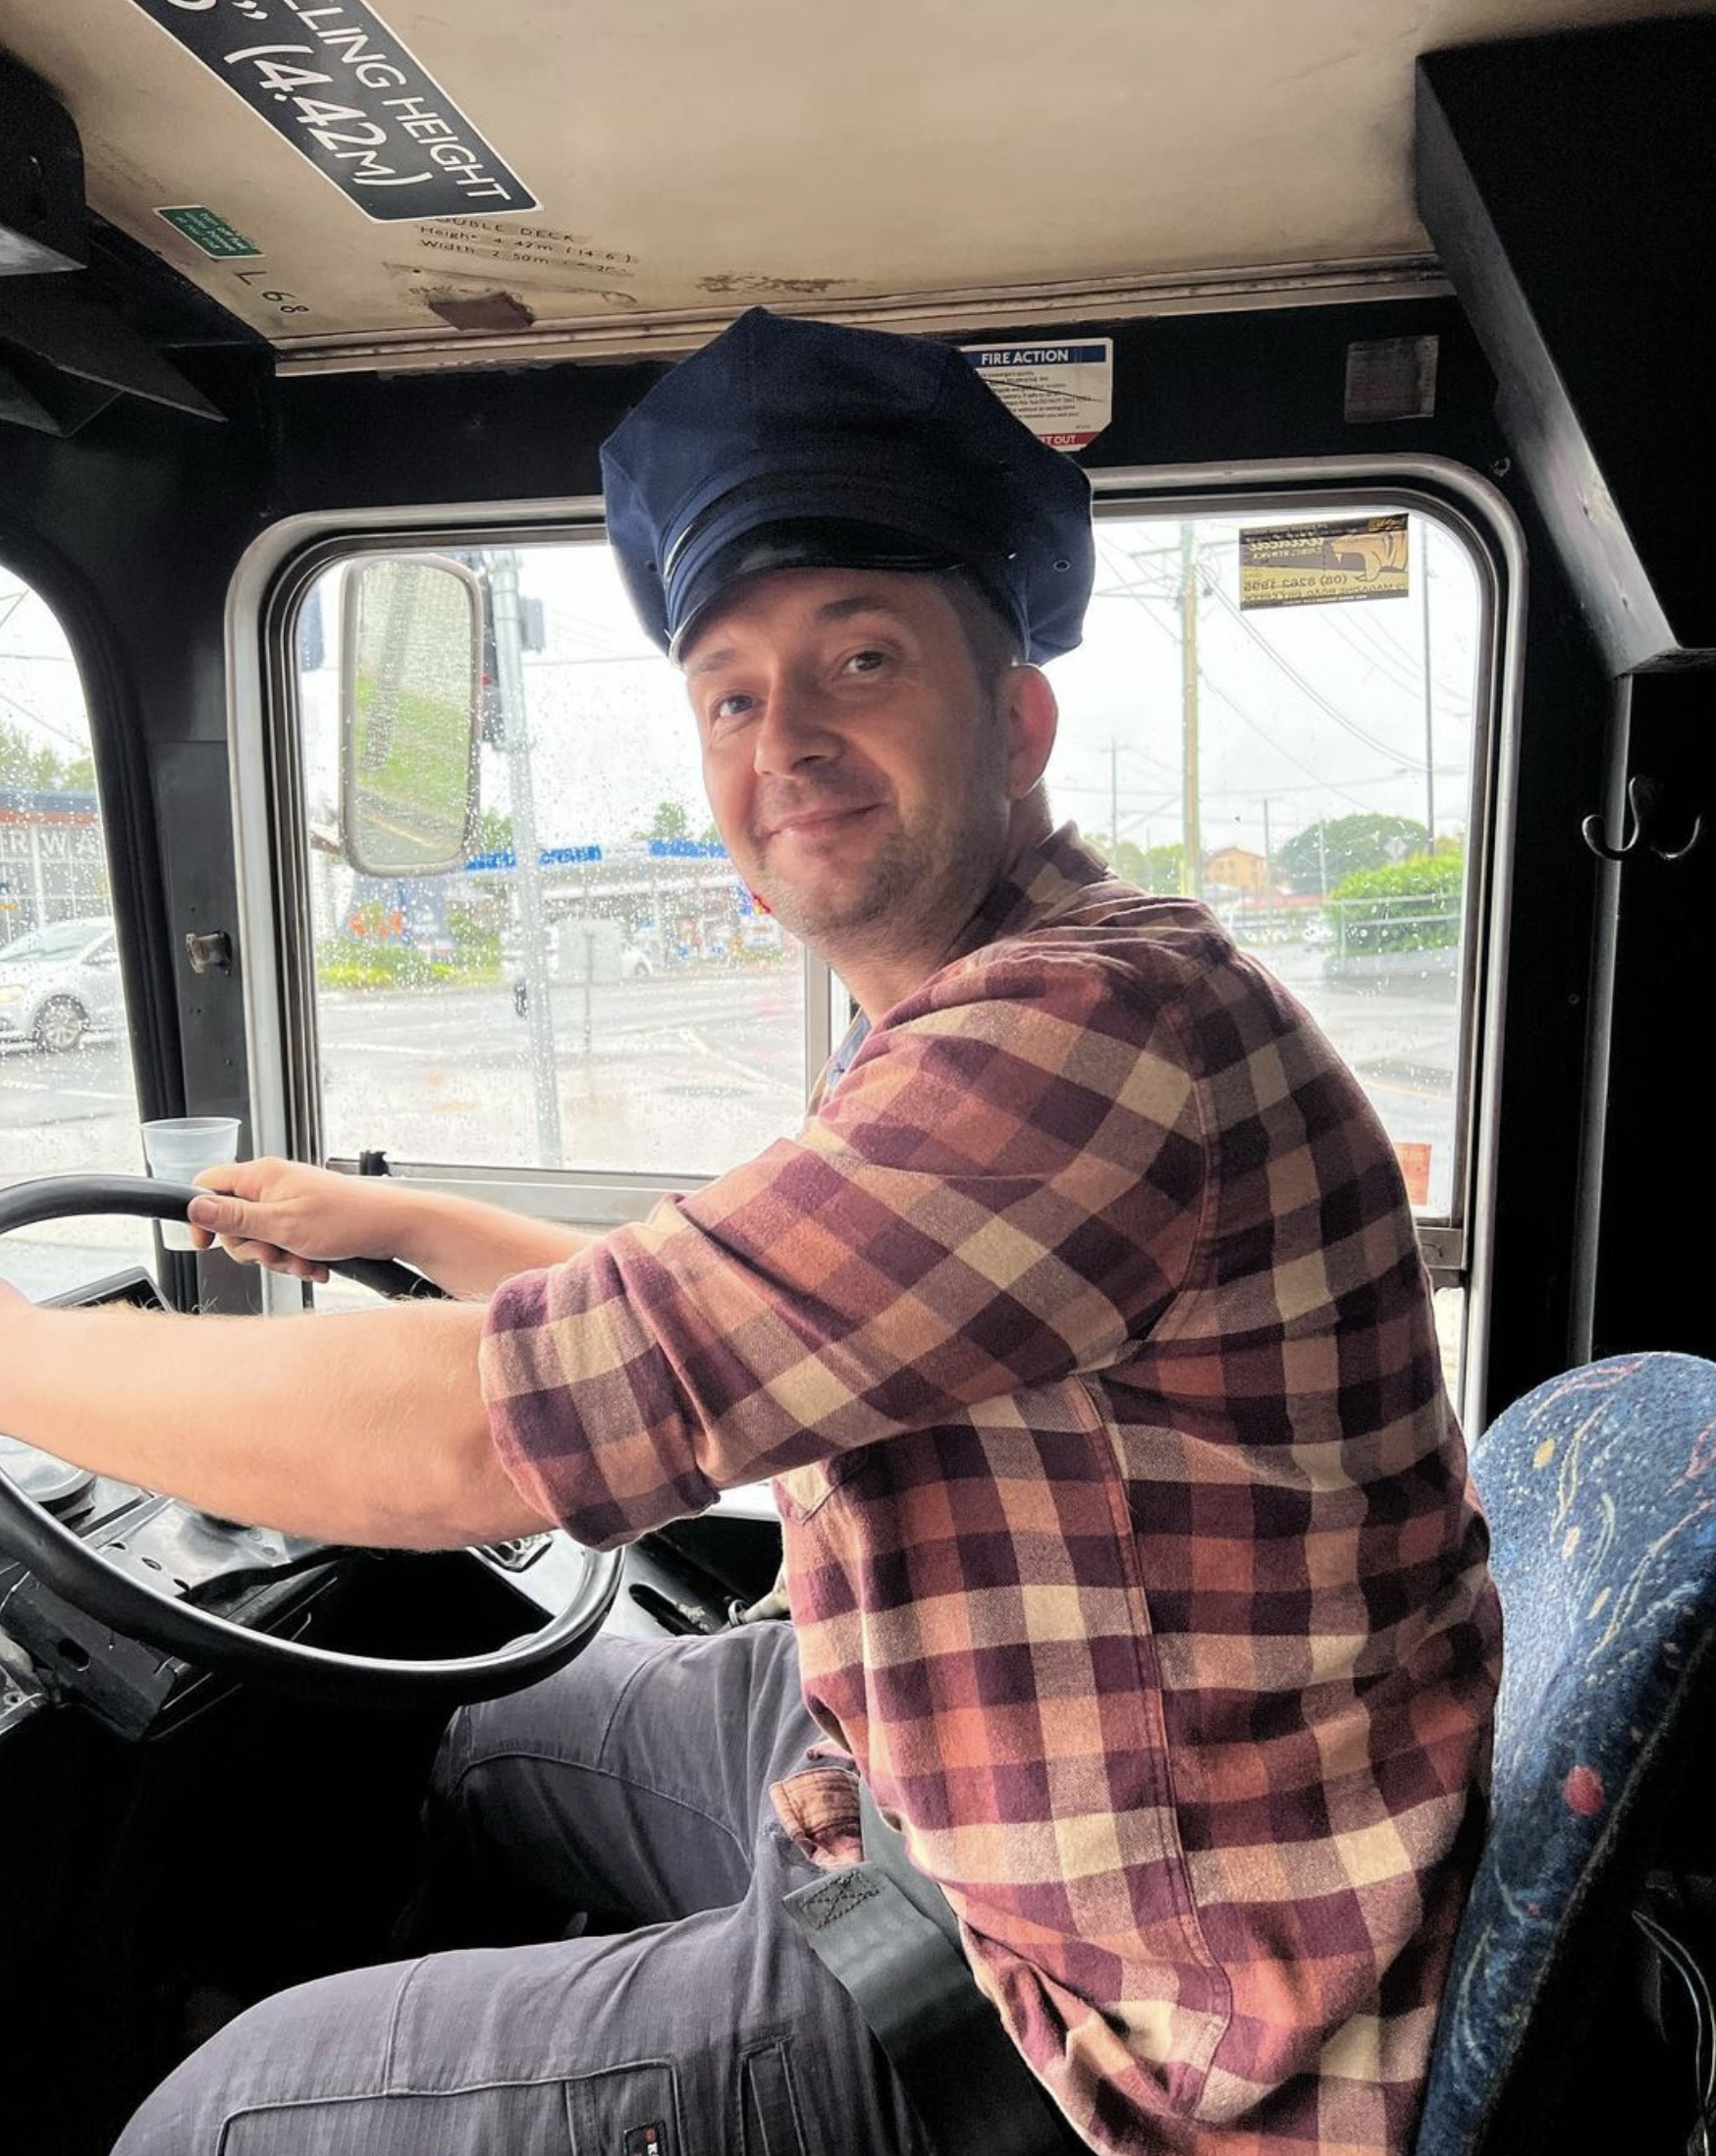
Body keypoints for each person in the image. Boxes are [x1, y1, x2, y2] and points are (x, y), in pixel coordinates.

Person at [0, 308, 1501, 2156]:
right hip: (964, 1796)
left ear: (1016, 721)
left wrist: (15, 1352)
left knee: (225, 2117)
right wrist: (390, 1218)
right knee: (501, 1738)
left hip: (1114, 2016)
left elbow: (478, 1436)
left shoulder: (1087, 1039)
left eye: (860, 661)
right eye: (730, 696)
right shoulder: (994, 1006)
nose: (784, 737)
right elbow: (718, 1305)